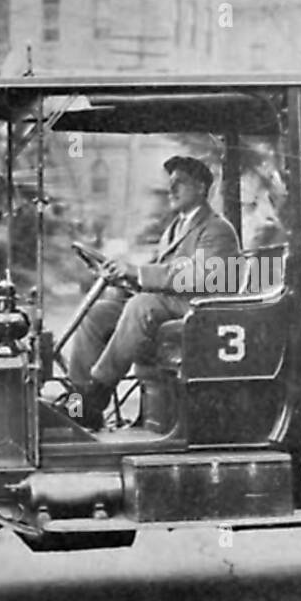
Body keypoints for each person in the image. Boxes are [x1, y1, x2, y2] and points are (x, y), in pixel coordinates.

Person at [68, 156, 241, 430]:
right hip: (172, 307)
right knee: (99, 313)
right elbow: (160, 275)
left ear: (201, 188)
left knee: (141, 306)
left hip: (201, 311)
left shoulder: (216, 229)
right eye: (170, 184)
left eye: (180, 183)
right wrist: (123, 275)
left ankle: (97, 394)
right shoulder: (174, 229)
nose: (171, 190)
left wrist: (138, 273)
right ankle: (78, 401)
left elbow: (201, 277)